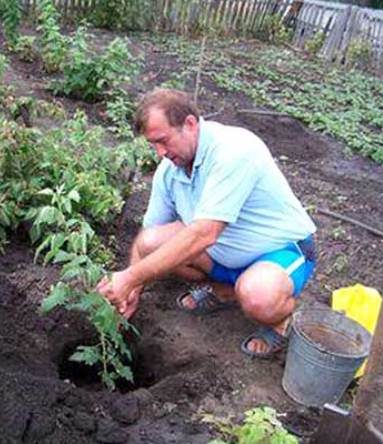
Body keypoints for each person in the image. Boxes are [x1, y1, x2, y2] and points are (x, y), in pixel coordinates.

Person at [96, 88, 316, 358]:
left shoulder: (234, 151)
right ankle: (224, 292)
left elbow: (204, 234)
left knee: (258, 296)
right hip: (225, 251)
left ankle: (281, 322)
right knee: (150, 242)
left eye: (163, 141)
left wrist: (129, 278)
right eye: (153, 144)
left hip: (279, 251)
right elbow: (148, 235)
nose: (160, 152)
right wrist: (132, 289)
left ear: (190, 124)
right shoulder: (170, 170)